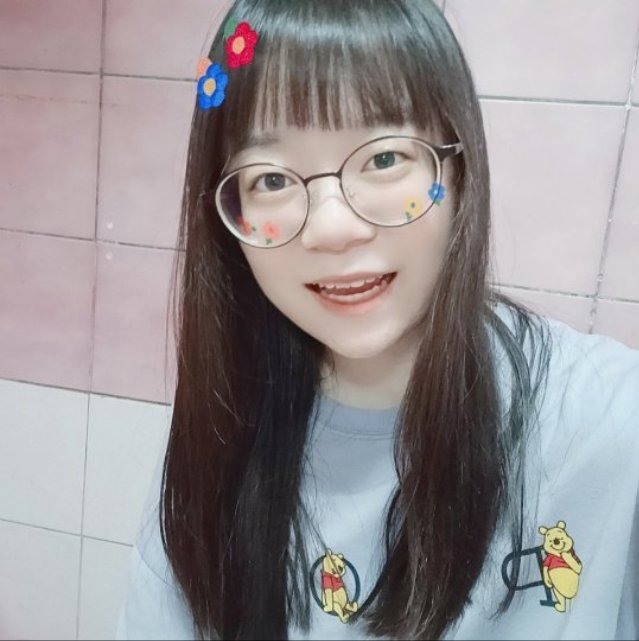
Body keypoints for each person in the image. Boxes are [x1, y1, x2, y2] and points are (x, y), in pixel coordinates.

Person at [115, 1, 639, 639]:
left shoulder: (607, 419)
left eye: (385, 159)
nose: (333, 227)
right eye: (272, 179)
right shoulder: (223, 431)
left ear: (459, 171)